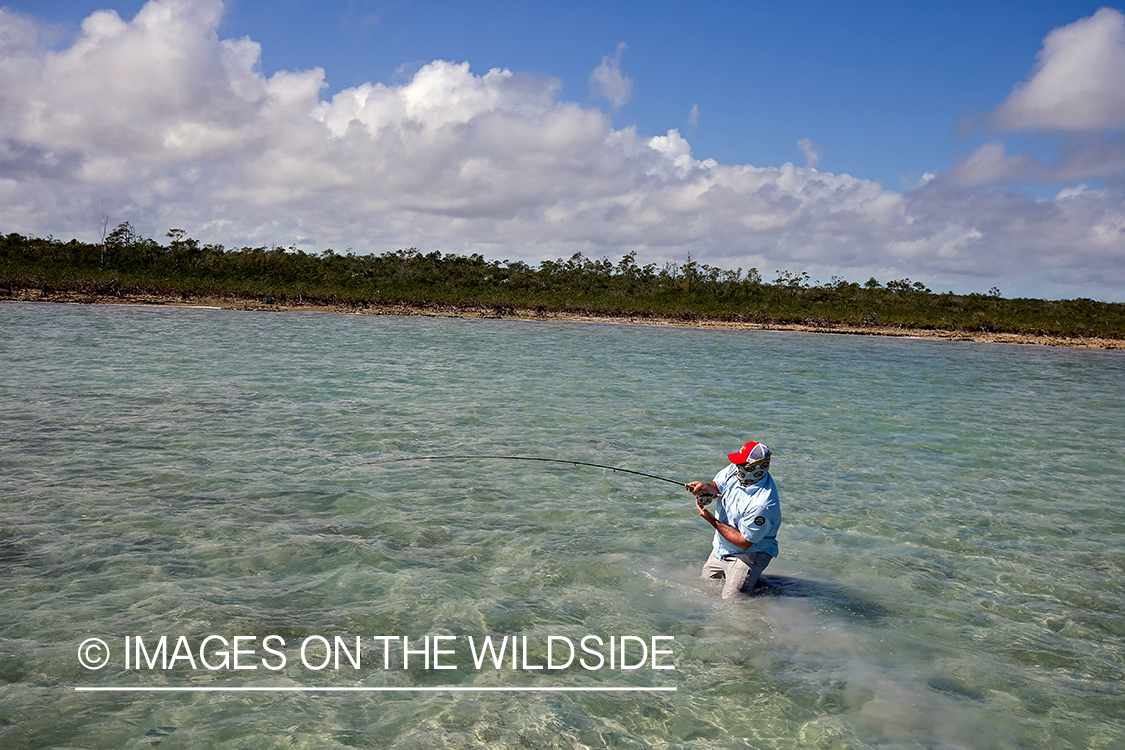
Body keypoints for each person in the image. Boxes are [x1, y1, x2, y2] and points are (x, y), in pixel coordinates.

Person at [685, 441, 781, 599]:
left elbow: (744, 542)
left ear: (755, 467)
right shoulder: (736, 470)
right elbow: (718, 485)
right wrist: (707, 488)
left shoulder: (762, 504)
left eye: (741, 463)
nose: (736, 466)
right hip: (722, 548)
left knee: (732, 602)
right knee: (705, 589)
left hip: (750, 553)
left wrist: (712, 521)